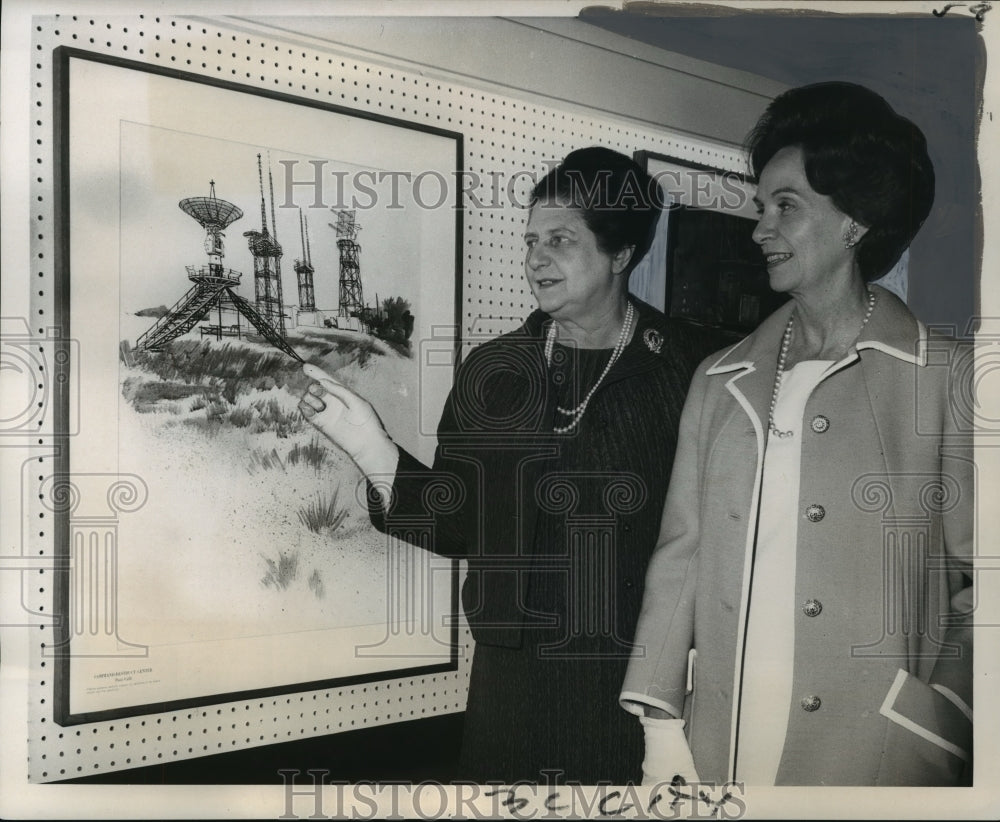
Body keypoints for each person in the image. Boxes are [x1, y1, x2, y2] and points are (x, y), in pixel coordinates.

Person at [299, 146, 724, 783]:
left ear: (620, 254)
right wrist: (370, 446)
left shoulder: (694, 370)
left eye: (560, 239)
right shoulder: (495, 373)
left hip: (639, 693)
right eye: (530, 241)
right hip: (512, 692)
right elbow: (453, 525)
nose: (535, 259)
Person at [620, 82, 974, 787]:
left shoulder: (946, 379)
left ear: (855, 223)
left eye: (787, 206)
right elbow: (682, 557)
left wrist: (943, 712)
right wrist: (662, 730)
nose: (759, 228)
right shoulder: (719, 379)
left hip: (874, 755)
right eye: (761, 206)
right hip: (719, 740)